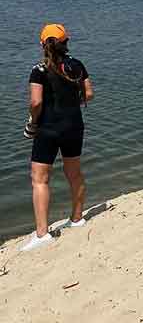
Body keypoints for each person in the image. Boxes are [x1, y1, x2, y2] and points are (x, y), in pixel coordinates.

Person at [21, 24, 94, 252]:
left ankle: (42, 234)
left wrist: (33, 122)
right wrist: (75, 102)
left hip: (48, 129)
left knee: (40, 180)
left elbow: (36, 102)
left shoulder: (39, 70)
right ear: (66, 42)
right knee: (74, 173)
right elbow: (89, 94)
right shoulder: (76, 65)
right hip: (73, 125)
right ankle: (77, 218)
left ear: (43, 44)